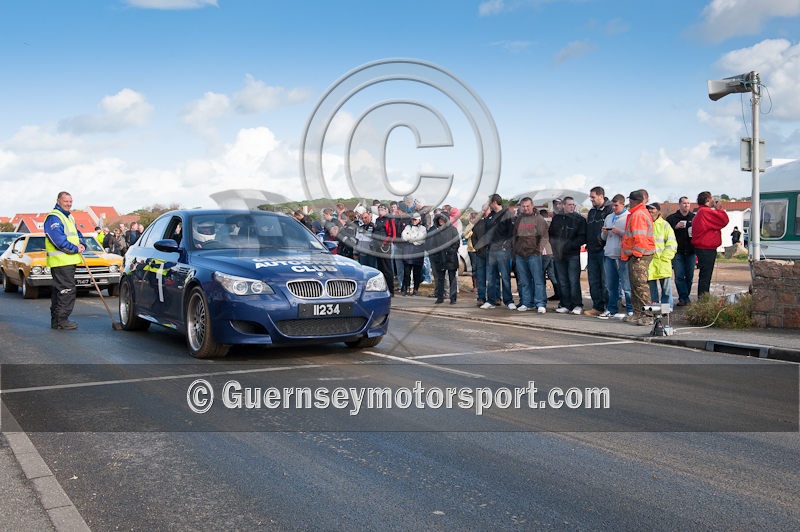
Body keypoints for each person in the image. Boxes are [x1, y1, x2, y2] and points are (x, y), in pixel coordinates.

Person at [44, 191, 87, 330]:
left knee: (60, 291)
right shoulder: (54, 218)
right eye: (65, 201)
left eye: (70, 201)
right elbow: (58, 241)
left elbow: (77, 234)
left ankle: (57, 321)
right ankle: (62, 321)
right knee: (66, 291)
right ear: (58, 201)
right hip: (61, 262)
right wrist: (75, 248)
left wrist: (82, 244)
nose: (68, 204)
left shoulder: (68, 217)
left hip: (68, 261)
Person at [620, 189, 655, 326]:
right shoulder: (637, 213)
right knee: (635, 285)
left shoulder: (638, 215)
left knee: (640, 286)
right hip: (636, 255)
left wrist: (637, 254)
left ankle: (648, 315)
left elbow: (640, 237)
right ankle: (637, 313)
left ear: (632, 201)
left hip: (640, 255)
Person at [548, 196, 587, 314]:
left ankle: (577, 304)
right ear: (563, 205)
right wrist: (556, 247)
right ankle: (565, 304)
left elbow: (582, 236)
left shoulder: (579, 219)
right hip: (559, 255)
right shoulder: (557, 219)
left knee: (573, 280)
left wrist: (569, 246)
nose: (572, 207)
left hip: (572, 254)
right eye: (569, 204)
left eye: (573, 205)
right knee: (562, 280)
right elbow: (551, 235)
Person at [512, 197, 549, 313]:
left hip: (534, 254)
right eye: (523, 206)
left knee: (538, 280)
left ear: (532, 206)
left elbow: (545, 236)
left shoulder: (539, 219)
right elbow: (514, 236)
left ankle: (540, 303)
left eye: (528, 206)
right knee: (524, 280)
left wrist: (538, 249)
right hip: (520, 255)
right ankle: (527, 303)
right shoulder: (518, 219)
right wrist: (515, 250)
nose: (525, 208)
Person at [599, 194, 632, 319]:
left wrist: (619, 232)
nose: (614, 208)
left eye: (616, 205)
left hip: (622, 255)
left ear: (623, 205)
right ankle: (611, 308)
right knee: (611, 285)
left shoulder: (628, 217)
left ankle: (630, 309)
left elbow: (630, 235)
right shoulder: (609, 217)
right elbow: (604, 238)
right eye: (612, 205)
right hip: (609, 254)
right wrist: (604, 233)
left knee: (626, 285)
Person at [481, 194, 516, 310]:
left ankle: (508, 300)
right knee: (491, 277)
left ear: (494, 202)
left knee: (505, 276)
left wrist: (506, 245)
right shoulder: (490, 216)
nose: (488, 204)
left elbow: (512, 233)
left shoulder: (507, 214)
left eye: (489, 202)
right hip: (491, 250)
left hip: (503, 251)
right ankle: (491, 300)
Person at [692, 191, 729, 298]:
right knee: (706, 275)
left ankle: (703, 297)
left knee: (705, 275)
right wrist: (719, 209)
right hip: (706, 248)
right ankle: (703, 298)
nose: (714, 201)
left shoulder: (701, 212)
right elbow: (723, 220)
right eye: (712, 199)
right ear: (707, 200)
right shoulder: (705, 212)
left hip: (704, 248)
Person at [585, 186, 613, 316]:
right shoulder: (591, 212)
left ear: (601, 196)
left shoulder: (610, 210)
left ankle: (609, 307)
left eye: (593, 197)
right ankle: (597, 306)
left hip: (604, 250)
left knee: (605, 281)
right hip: (592, 250)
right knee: (593, 280)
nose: (591, 199)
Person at [646, 202, 677, 310]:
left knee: (666, 290)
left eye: (652, 209)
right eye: (648, 209)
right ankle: (654, 311)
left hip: (662, 263)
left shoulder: (665, 225)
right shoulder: (645, 224)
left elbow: (672, 243)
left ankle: (665, 311)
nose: (650, 211)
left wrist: (665, 258)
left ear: (658, 211)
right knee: (652, 290)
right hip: (650, 263)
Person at [665, 196, 695, 306]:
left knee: (690, 276)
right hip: (677, 251)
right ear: (679, 204)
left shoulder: (694, 217)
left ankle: (685, 296)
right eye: (684, 203)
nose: (686, 205)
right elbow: (665, 234)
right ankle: (683, 298)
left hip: (691, 251)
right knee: (679, 276)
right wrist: (675, 227)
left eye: (688, 203)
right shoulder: (672, 218)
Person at [426, 213, 460, 304]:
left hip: (450, 258)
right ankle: (440, 297)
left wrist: (450, 252)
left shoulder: (453, 230)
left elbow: (456, 243)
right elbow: (432, 244)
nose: (441, 221)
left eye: (442, 219)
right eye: (439, 219)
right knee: (440, 278)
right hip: (439, 258)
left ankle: (453, 298)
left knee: (452, 278)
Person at [372, 203, 397, 294]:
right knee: (380, 269)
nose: (380, 210)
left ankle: (390, 290)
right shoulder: (377, 220)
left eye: (382, 209)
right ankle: (382, 288)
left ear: (387, 210)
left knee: (387, 269)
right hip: (377, 246)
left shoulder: (389, 220)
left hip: (385, 247)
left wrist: (385, 243)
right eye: (379, 209)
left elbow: (392, 235)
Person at [400, 212, 426, 295]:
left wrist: (410, 238)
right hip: (408, 251)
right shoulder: (408, 227)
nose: (414, 221)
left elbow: (421, 239)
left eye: (415, 219)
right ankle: (405, 288)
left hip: (418, 252)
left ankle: (415, 289)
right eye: (413, 219)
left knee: (416, 273)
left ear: (419, 220)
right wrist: (414, 238)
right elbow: (403, 236)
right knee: (406, 272)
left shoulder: (423, 228)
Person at [470, 205, 491, 307]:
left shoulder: (494, 222)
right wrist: (477, 248)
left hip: (492, 254)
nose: (484, 211)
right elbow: (473, 238)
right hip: (480, 254)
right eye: (483, 210)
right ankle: (481, 298)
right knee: (481, 277)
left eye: (486, 210)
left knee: (492, 277)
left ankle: (494, 298)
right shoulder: (479, 223)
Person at [539, 208, 560, 302]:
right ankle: (558, 293)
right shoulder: (551, 224)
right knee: (552, 274)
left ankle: (542, 295)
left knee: (541, 274)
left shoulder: (542, 225)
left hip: (544, 252)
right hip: (551, 251)